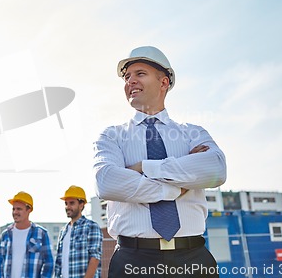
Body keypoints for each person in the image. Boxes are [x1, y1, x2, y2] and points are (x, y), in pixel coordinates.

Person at [93, 46, 227, 277]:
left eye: (140, 74)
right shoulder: (111, 135)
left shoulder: (192, 133)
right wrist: (179, 184)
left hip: (193, 259)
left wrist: (143, 168)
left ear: (164, 82)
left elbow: (216, 168)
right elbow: (107, 183)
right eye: (127, 77)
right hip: (132, 261)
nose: (130, 81)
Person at [0, 191, 54, 278]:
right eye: (13, 209)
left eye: (19, 209)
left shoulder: (41, 234)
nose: (15, 212)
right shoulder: (5, 235)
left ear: (29, 210)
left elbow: (49, 263)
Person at [54, 186, 102, 278]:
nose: (68, 207)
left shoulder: (91, 227)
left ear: (81, 205)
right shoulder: (63, 231)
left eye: (71, 203)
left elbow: (95, 258)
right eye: (66, 203)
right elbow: (59, 263)